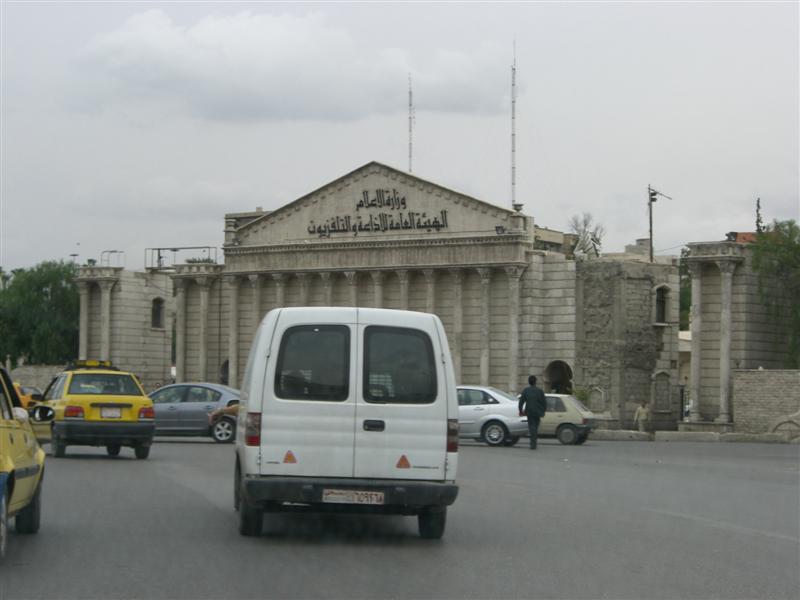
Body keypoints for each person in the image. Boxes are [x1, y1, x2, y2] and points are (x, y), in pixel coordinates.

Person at [518, 375, 547, 450]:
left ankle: (532, 443)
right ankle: (534, 442)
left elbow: (521, 402)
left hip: (529, 411)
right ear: (535, 382)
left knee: (531, 427)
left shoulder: (526, 390)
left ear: (529, 382)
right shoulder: (540, 391)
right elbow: (544, 403)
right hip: (537, 412)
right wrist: (543, 411)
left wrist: (520, 411)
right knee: (535, 427)